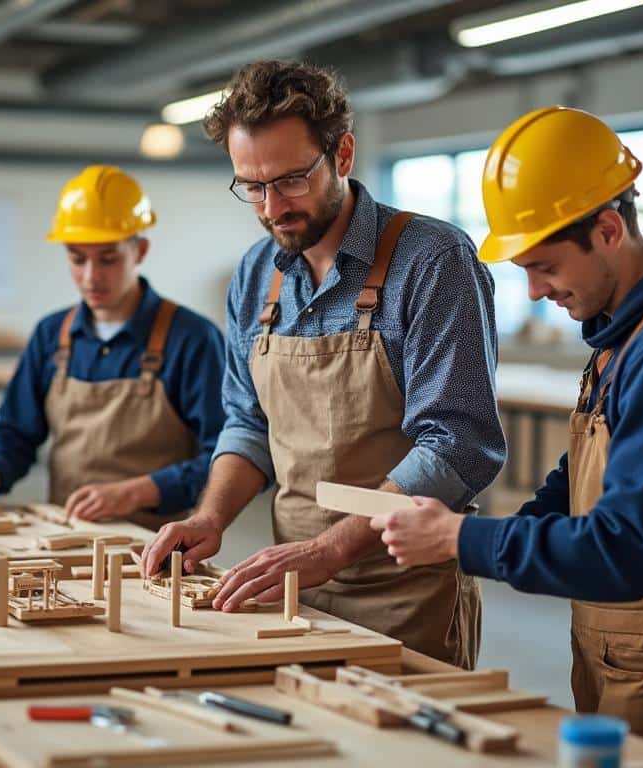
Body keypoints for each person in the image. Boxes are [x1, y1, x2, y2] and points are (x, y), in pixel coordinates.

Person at [371, 106, 643, 764]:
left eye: (545, 266)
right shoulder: (627, 330)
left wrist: (461, 539)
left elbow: (627, 550)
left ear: (608, 230)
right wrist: (498, 531)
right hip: (628, 643)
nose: (533, 291)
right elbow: (580, 481)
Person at [140, 60, 504, 666]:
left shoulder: (432, 260)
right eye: (251, 187)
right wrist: (210, 517)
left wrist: (331, 549)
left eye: (290, 180)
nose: (271, 208)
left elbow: (458, 442)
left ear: (342, 155)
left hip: (404, 591)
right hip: (291, 587)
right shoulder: (256, 274)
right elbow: (247, 423)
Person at [0, 166, 226, 529]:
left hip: (154, 545)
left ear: (140, 250)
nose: (91, 277)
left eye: (108, 259)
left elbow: (225, 459)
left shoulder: (192, 339)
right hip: (64, 537)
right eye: (78, 259)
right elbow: (15, 431)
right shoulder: (50, 335)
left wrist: (139, 492)